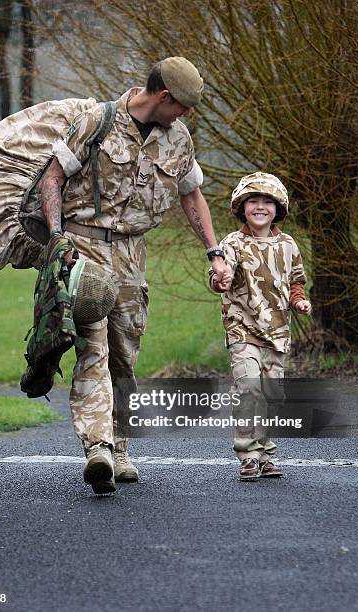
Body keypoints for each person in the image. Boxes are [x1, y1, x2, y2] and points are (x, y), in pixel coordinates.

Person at [40, 57, 230, 494]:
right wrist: (56, 240)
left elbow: (192, 197)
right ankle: (98, 448)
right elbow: (52, 178)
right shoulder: (96, 121)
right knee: (92, 348)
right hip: (83, 247)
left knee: (124, 354)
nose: (184, 116)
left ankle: (121, 447)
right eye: (181, 107)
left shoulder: (177, 139)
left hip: (131, 254)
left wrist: (214, 252)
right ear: (163, 97)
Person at [209, 172, 312, 481]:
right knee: (248, 388)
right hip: (243, 328)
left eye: (267, 202)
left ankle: (265, 452)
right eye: (253, 201)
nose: (260, 207)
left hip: (277, 333)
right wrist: (220, 279)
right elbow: (218, 276)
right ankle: (248, 454)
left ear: (278, 209)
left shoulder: (288, 245)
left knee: (272, 395)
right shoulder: (233, 243)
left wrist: (299, 302)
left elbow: (296, 281)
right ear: (242, 206)